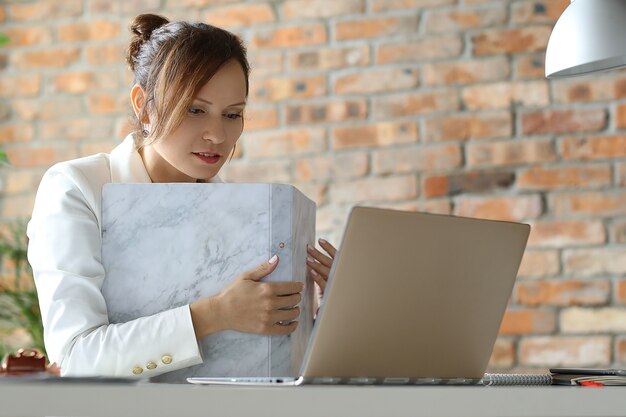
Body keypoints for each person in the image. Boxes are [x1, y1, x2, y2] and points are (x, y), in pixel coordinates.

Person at [26, 13, 336, 378]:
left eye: (232, 114)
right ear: (144, 106)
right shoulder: (77, 188)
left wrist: (323, 315)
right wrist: (213, 314)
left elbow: (268, 368)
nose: (217, 135)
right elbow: (76, 357)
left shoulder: (248, 214)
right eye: (195, 110)